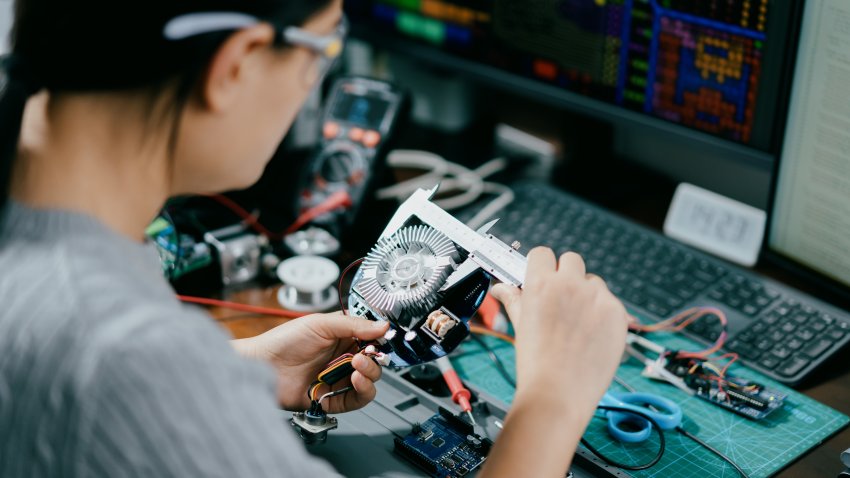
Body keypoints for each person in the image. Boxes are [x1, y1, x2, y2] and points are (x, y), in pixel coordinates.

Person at [0, 0, 629, 476]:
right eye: (328, 47)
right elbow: (115, 375)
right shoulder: (117, 354)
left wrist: (232, 373)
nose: (317, 80)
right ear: (237, 63)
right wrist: (552, 398)